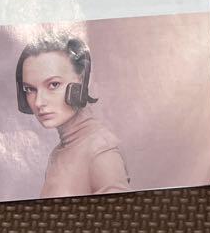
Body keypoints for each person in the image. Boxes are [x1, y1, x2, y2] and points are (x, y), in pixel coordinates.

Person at [15, 34, 131, 198]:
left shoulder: (101, 152)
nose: (39, 102)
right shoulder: (59, 152)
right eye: (30, 89)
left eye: (53, 84)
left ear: (82, 81)